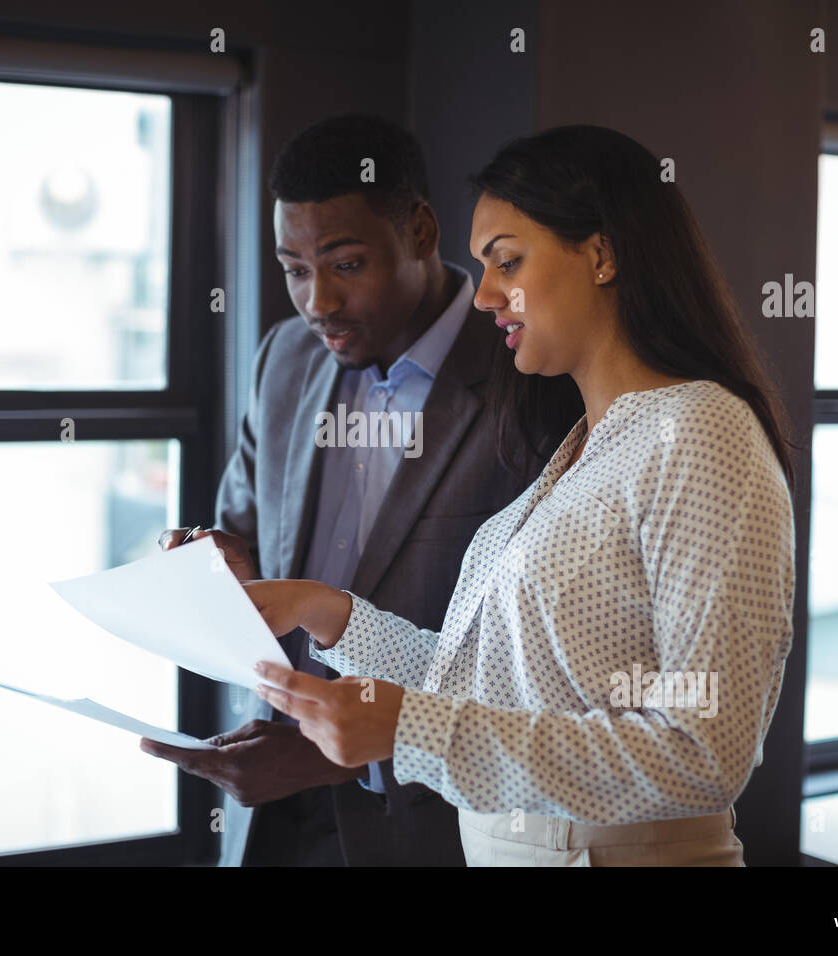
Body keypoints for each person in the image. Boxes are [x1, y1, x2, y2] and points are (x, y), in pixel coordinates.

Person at [243, 124, 798, 866]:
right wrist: (329, 613)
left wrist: (410, 732)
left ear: (601, 254)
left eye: (508, 262)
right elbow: (487, 682)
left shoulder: (699, 432)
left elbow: (703, 747)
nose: (485, 297)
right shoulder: (586, 444)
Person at [140, 114, 578, 866]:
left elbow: (539, 670)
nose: (318, 303)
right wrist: (219, 564)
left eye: (345, 265)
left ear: (419, 230)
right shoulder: (284, 359)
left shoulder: (533, 378)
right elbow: (244, 530)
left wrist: (334, 754)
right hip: (268, 816)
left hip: (431, 828)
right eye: (295, 268)